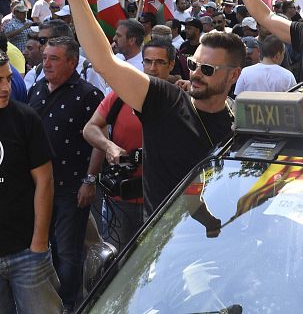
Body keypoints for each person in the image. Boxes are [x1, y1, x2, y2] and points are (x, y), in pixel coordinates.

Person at [52, 0, 244, 220]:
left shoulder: (239, 121)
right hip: (161, 248)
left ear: (233, 75)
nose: (196, 74)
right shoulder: (166, 100)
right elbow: (104, 63)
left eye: (208, 70)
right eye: (192, 64)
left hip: (216, 239)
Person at [28, 36, 104, 311]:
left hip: (71, 188)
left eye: (54, 58)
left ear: (72, 62)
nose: (46, 63)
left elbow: (99, 140)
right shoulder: (36, 89)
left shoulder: (88, 95)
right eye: (45, 57)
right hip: (35, 187)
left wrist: (89, 181)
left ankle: (69, 305)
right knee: (38, 247)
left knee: (67, 251)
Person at [82, 39, 176, 250]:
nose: (153, 68)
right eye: (148, 61)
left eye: (160, 62)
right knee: (116, 262)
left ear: (171, 65)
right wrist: (109, 146)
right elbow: (91, 128)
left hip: (165, 200)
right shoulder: (120, 95)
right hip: (121, 200)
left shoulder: (182, 101)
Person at [0, 48, 62, 313]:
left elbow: (45, 183)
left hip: (26, 251)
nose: (5, 87)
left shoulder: (25, 119)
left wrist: (38, 243)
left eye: (7, 78)